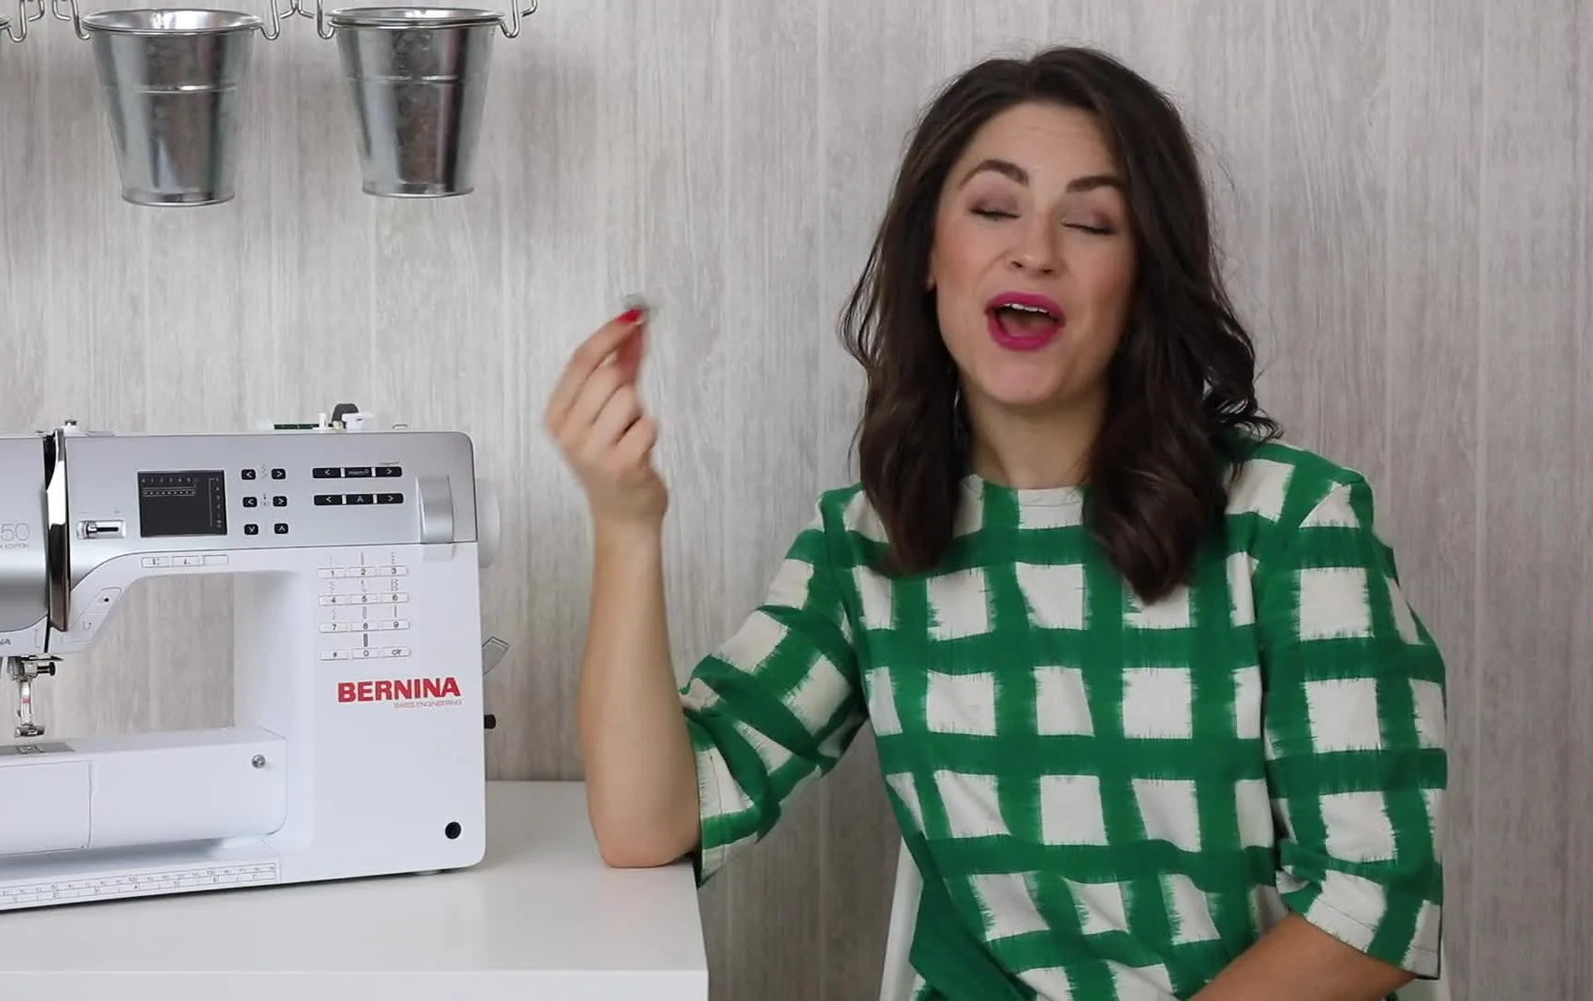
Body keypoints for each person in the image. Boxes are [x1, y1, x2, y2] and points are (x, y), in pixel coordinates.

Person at [542, 45, 1447, 1001]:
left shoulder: (1295, 523)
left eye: (1093, 221)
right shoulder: (870, 544)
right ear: (932, 256)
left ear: (1143, 280)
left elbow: (1371, 909)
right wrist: (626, 522)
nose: (1036, 249)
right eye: (993, 208)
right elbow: (652, 822)